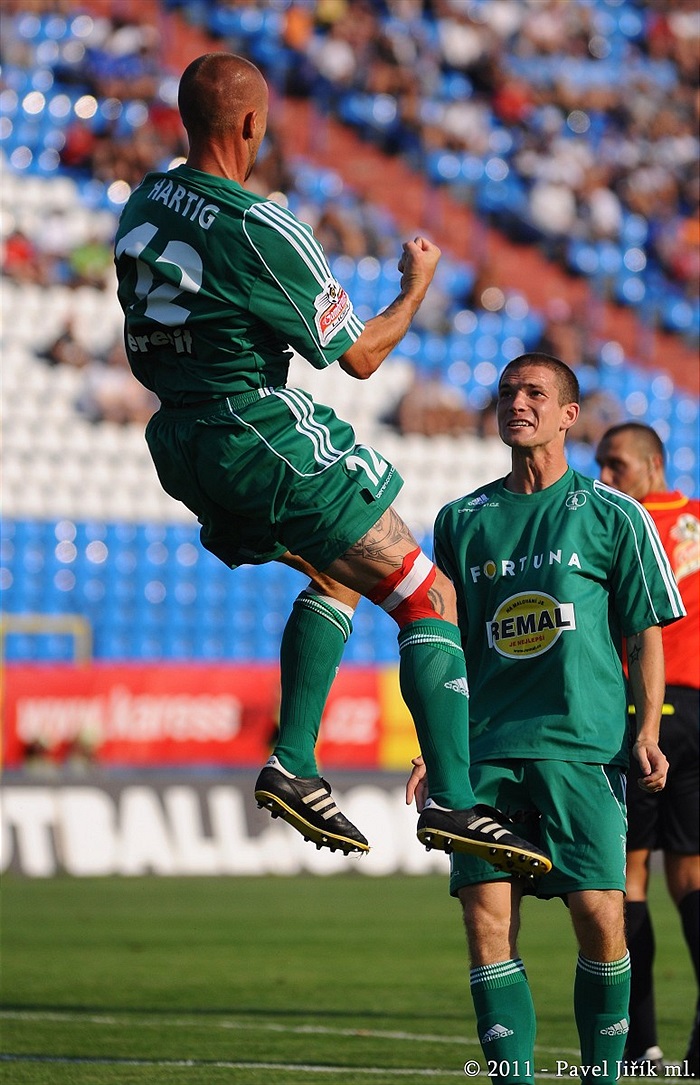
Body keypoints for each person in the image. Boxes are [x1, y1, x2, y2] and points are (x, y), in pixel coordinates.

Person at [113, 52, 551, 875]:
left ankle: (295, 760)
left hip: (179, 440)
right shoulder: (262, 226)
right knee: (429, 594)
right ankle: (459, 799)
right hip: (257, 432)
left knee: (338, 572)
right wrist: (415, 288)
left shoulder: (145, 199)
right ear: (253, 122)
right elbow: (358, 358)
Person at [407, 353, 686, 1085]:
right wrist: (431, 743)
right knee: (486, 926)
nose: (516, 403)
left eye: (535, 392)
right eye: (506, 393)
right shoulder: (461, 520)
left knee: (601, 916)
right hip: (483, 754)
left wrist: (647, 730)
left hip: (582, 748)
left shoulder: (614, 515)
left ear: (569, 414)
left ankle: (602, 1076)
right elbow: (447, 642)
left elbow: (645, 630)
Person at [596, 422, 699, 1078]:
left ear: (652, 465)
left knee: (627, 877)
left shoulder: (619, 526)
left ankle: (641, 1045)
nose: (607, 479)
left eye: (617, 466)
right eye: (602, 467)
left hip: (643, 713)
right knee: (691, 875)